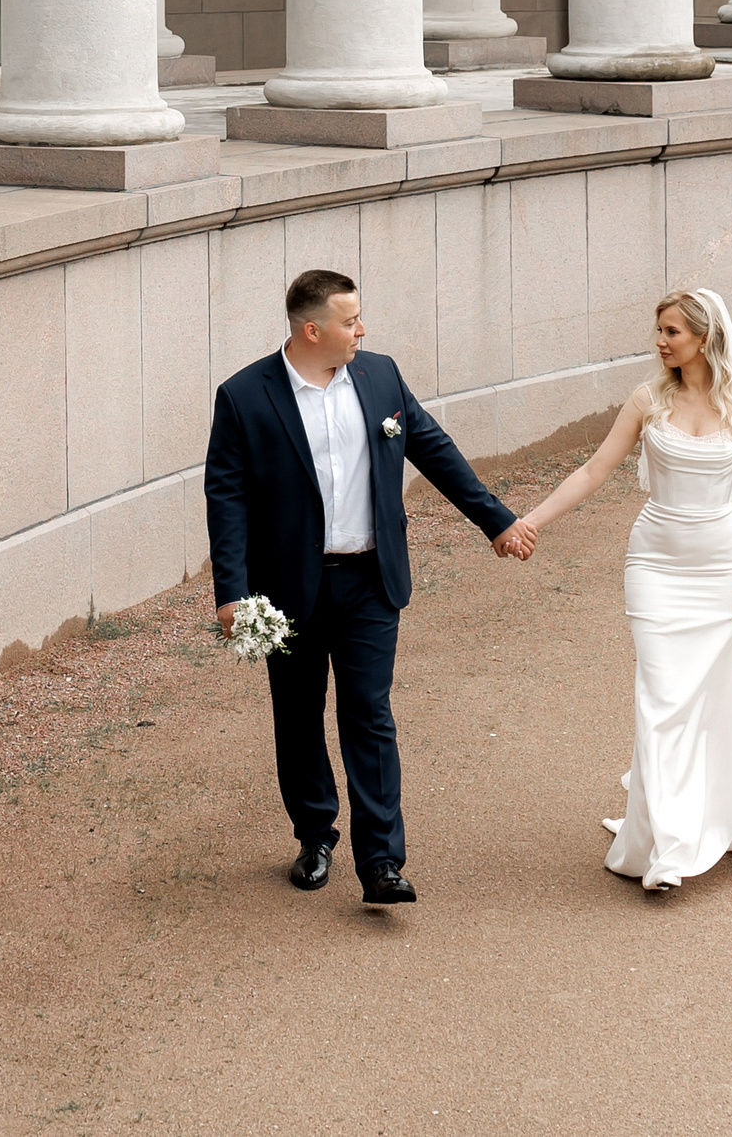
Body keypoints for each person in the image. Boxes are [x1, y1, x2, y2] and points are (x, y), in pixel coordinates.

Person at [205, 269, 536, 907]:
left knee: (369, 714)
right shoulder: (244, 396)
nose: (363, 329)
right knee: (298, 716)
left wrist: (496, 521)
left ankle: (382, 861)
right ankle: (314, 836)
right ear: (312, 330)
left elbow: (433, 449)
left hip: (370, 581)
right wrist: (232, 592)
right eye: (350, 320)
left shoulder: (380, 376)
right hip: (287, 591)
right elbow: (227, 498)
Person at [516, 287, 732, 890]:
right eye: (660, 331)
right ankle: (668, 848)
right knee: (661, 698)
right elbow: (594, 470)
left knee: (714, 700)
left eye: (672, 332)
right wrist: (529, 521)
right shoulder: (647, 400)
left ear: (704, 338)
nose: (661, 342)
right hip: (655, 569)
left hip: (719, 572)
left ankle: (705, 820)